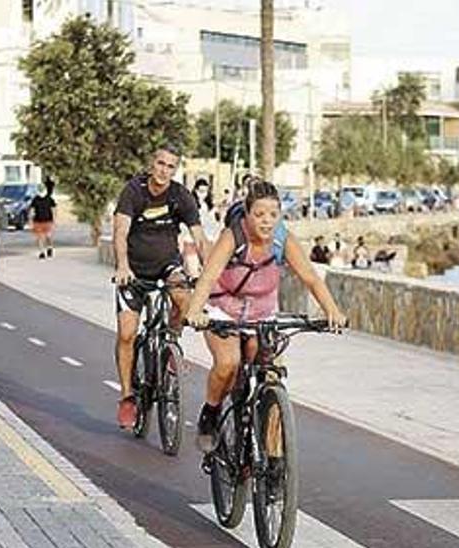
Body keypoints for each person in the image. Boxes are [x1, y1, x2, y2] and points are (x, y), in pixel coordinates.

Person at [184, 179, 347, 452]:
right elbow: (208, 276)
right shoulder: (233, 237)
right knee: (228, 363)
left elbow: (311, 278)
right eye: (259, 214)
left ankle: (273, 461)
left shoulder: (283, 239)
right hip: (224, 307)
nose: (266, 221)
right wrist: (194, 311)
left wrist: (332, 311)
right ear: (247, 215)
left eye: (273, 215)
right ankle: (210, 414)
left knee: (271, 374)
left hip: (262, 313)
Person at [112, 145, 210, 430]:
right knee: (128, 334)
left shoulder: (181, 196)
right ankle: (128, 396)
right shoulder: (134, 191)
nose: (164, 170)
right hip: (134, 271)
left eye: (170, 166)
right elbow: (120, 231)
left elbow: (200, 239)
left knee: (183, 298)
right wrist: (122, 267)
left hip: (166, 263)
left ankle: (171, 342)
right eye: (160, 163)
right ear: (151, 163)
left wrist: (210, 273)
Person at [29, 182, 57, 260]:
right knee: (39, 237)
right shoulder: (35, 199)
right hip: (37, 221)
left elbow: (54, 209)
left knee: (48, 236)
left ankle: (49, 247)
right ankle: (42, 252)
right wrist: (30, 220)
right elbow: (32, 210)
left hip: (48, 220)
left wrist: (54, 220)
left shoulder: (49, 198)